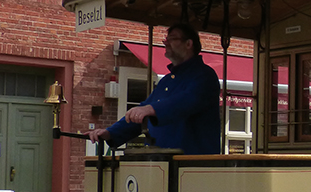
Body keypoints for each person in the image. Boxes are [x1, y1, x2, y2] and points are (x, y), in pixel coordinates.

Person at [87, 23, 221, 155]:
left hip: (192, 165)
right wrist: (111, 133)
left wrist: (152, 109)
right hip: (160, 163)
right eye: (166, 40)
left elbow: (185, 102)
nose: (166, 43)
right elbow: (144, 111)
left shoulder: (204, 76)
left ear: (188, 44)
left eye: (172, 39)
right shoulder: (167, 81)